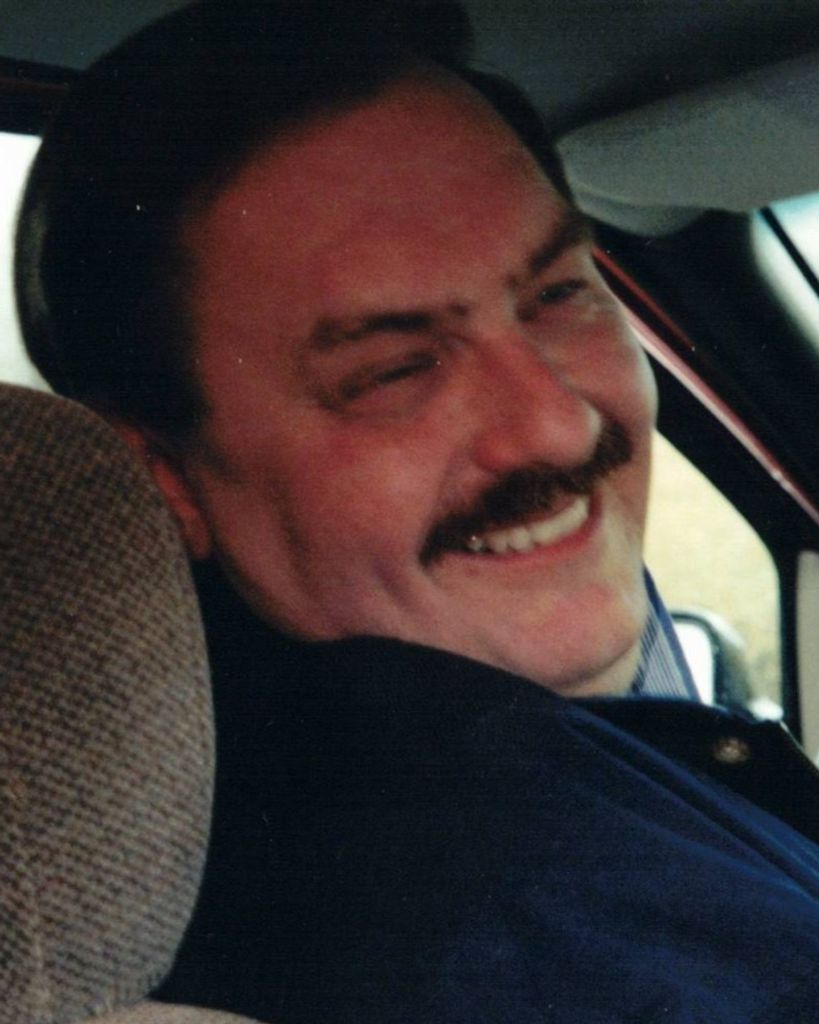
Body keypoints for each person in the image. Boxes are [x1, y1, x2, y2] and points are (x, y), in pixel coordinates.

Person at [13, 2, 819, 1020]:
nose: (556, 425)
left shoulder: (221, 835)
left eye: (557, 294)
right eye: (395, 369)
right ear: (163, 476)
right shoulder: (551, 919)